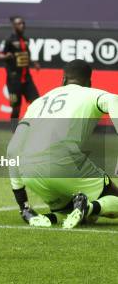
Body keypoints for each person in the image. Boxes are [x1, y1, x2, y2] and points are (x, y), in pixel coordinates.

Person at [8, 60, 118, 229]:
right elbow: (114, 100)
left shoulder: (38, 102)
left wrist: (22, 203)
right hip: (63, 164)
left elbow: (12, 149)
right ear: (89, 83)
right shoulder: (92, 94)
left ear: (63, 79)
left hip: (29, 172)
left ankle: (36, 215)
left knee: (72, 214)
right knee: (111, 200)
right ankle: (86, 206)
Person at [0, 16, 40, 130]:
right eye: (20, 24)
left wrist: (33, 63)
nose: (23, 25)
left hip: (27, 79)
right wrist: (6, 56)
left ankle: (35, 127)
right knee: (16, 108)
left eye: (23, 23)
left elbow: (26, 54)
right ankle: (14, 129)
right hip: (14, 80)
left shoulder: (26, 40)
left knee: (37, 103)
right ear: (14, 26)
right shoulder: (8, 40)